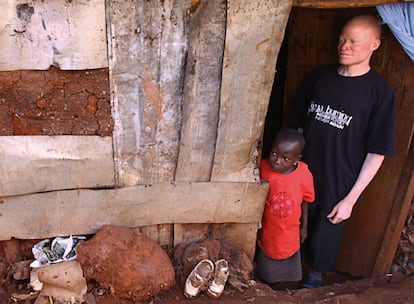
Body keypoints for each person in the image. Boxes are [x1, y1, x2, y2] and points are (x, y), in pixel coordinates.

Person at [290, 14, 396, 288]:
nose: (344, 46)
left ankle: (314, 280)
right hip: (303, 177)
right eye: (341, 40)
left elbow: (377, 151)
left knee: (324, 241)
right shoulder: (321, 78)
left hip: (340, 183)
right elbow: (298, 126)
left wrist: (350, 199)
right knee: (290, 232)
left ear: (374, 44)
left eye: (353, 41)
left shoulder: (380, 92)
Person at [255, 128, 315, 284]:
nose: (277, 160)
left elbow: (306, 201)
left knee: (289, 256)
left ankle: (285, 289)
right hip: (268, 228)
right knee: (266, 257)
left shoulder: (303, 174)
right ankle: (266, 286)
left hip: (290, 230)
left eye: (285, 158)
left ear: (297, 159)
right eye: (274, 154)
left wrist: (304, 227)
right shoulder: (263, 168)